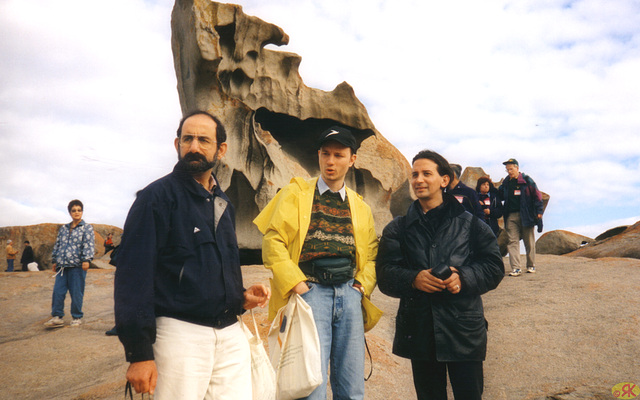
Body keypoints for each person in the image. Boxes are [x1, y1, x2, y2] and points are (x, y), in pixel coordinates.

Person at [114, 110, 270, 398]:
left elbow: (214, 265)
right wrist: (139, 353)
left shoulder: (223, 202)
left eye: (203, 140)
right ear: (177, 145)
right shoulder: (155, 198)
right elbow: (133, 278)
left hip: (230, 333)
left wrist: (241, 296)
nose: (194, 147)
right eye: (187, 139)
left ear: (220, 149)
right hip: (179, 336)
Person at [254, 126, 379, 400]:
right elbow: (273, 241)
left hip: (349, 294)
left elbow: (371, 254)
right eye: (325, 154)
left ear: (352, 159)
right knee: (310, 384)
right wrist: (296, 284)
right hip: (311, 294)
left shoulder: (361, 206)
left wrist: (360, 287)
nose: (330, 161)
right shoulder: (295, 193)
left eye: (338, 155)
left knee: (352, 386)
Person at [376, 150, 504, 400]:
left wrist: (464, 277)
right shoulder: (398, 228)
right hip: (420, 331)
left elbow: (493, 266)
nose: (419, 180)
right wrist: (413, 279)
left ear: (444, 180)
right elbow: (385, 275)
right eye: (414, 175)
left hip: (463, 331)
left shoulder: (471, 224)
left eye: (426, 173)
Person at [44, 200, 96, 328]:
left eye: (79, 210)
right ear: (70, 212)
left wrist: (86, 260)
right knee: (58, 291)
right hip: (62, 266)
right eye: (74, 210)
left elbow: (89, 244)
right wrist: (55, 260)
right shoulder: (64, 228)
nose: (76, 212)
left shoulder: (87, 228)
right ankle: (57, 316)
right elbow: (58, 244)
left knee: (76, 292)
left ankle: (77, 317)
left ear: (82, 211)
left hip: (77, 266)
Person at [498, 158, 544, 276]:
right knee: (512, 241)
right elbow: (500, 195)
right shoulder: (506, 183)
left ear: (517, 168)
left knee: (529, 241)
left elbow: (537, 195)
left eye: (511, 169)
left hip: (526, 215)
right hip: (511, 216)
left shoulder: (526, 180)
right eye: (507, 169)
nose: (509, 171)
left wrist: (539, 211)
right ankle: (516, 268)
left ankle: (531, 265)